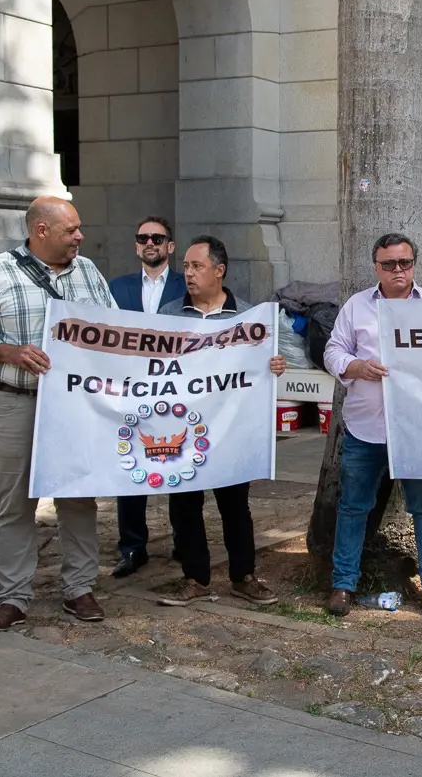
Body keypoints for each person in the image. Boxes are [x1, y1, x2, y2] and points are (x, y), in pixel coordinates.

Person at [0, 197, 115, 632]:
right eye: (71, 230)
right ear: (41, 230)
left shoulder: (89, 273)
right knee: (14, 503)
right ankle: (12, 596)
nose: (80, 236)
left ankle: (79, 588)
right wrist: (10, 352)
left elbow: (116, 331)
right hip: (13, 401)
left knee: (78, 498)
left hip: (75, 407)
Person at [322, 234, 422, 620]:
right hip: (366, 428)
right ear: (376, 266)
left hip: (416, 431)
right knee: (353, 507)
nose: (399, 270)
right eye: (389, 264)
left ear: (415, 264)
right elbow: (332, 351)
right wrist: (356, 367)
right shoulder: (356, 306)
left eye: (405, 263)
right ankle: (343, 584)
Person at [155, 236, 284, 607]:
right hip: (180, 428)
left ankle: (244, 576)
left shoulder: (248, 318)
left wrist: (273, 365)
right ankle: (195, 578)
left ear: (219, 271)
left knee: (234, 505)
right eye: (186, 267)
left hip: (229, 430)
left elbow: (260, 368)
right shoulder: (168, 316)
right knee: (183, 505)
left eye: (197, 266)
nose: (189, 274)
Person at [106, 216, 187, 577]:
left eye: (157, 237)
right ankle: (132, 547)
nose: (149, 242)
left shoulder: (188, 285)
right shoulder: (117, 288)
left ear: (170, 246)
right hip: (130, 393)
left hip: (177, 392)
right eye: (143, 238)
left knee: (181, 468)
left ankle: (184, 541)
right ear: (136, 245)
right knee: (131, 469)